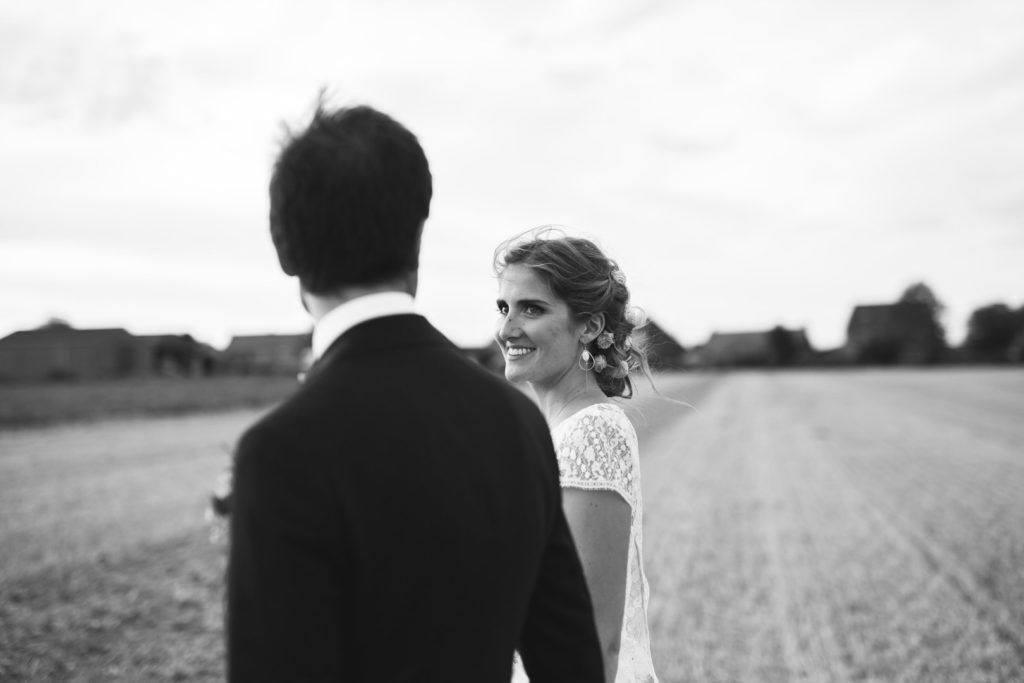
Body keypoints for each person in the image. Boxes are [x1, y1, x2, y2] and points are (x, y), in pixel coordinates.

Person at [226, 103, 605, 682]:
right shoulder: (514, 420)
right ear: (418, 231)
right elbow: (573, 666)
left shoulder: (280, 452)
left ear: (285, 248)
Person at [495, 229, 659, 683]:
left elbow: (593, 642)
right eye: (504, 308)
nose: (507, 329)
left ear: (589, 325)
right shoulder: (554, 433)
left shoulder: (594, 432)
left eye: (532, 308)